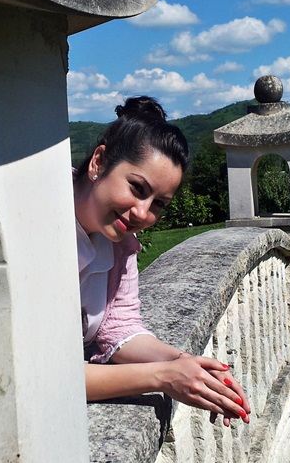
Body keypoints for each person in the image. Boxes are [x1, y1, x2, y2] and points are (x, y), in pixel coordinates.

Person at [73, 96, 251, 426]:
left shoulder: (119, 245)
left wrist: (189, 365)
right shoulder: (40, 227)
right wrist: (164, 376)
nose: (142, 213)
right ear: (99, 162)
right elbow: (47, 374)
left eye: (158, 204)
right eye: (137, 188)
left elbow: (120, 329)